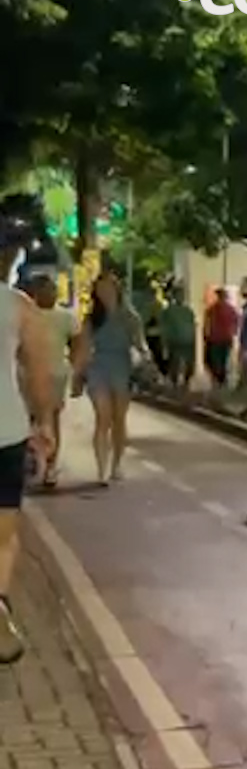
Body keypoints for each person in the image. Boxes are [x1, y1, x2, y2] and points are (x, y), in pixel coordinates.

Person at [0, 194, 59, 663]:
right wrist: (44, 423)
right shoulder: (19, 306)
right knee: (4, 530)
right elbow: (39, 374)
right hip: (5, 430)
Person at [81, 274, 142, 485]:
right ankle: (101, 470)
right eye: (100, 289)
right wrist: (78, 374)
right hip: (98, 367)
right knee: (102, 418)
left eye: (108, 288)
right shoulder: (92, 318)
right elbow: (84, 347)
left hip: (122, 367)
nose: (104, 292)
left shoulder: (130, 317)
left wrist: (142, 358)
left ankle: (117, 464)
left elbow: (139, 343)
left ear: (117, 290)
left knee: (119, 419)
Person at [26, 275, 81, 491]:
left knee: (51, 418)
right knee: (29, 419)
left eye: (52, 290)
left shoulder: (65, 317)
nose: (50, 294)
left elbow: (77, 341)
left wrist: (75, 366)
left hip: (55, 374)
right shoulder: (27, 314)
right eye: (45, 290)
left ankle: (50, 465)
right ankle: (31, 461)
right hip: (27, 375)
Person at [159, 287, 196, 390]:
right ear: (174, 296)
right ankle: (175, 384)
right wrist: (164, 343)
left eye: (182, 295)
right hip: (175, 341)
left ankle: (186, 383)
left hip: (188, 341)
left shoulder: (188, 311)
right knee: (174, 364)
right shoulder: (168, 311)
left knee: (189, 365)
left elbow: (192, 326)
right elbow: (164, 328)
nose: (181, 297)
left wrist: (194, 340)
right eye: (179, 294)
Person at [203, 286, 239, 388]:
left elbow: (207, 323)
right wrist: (232, 333)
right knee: (223, 360)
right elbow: (236, 324)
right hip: (226, 338)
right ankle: (221, 379)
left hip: (215, 339)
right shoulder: (231, 310)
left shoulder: (212, 309)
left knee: (214, 360)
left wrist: (205, 334)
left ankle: (217, 379)